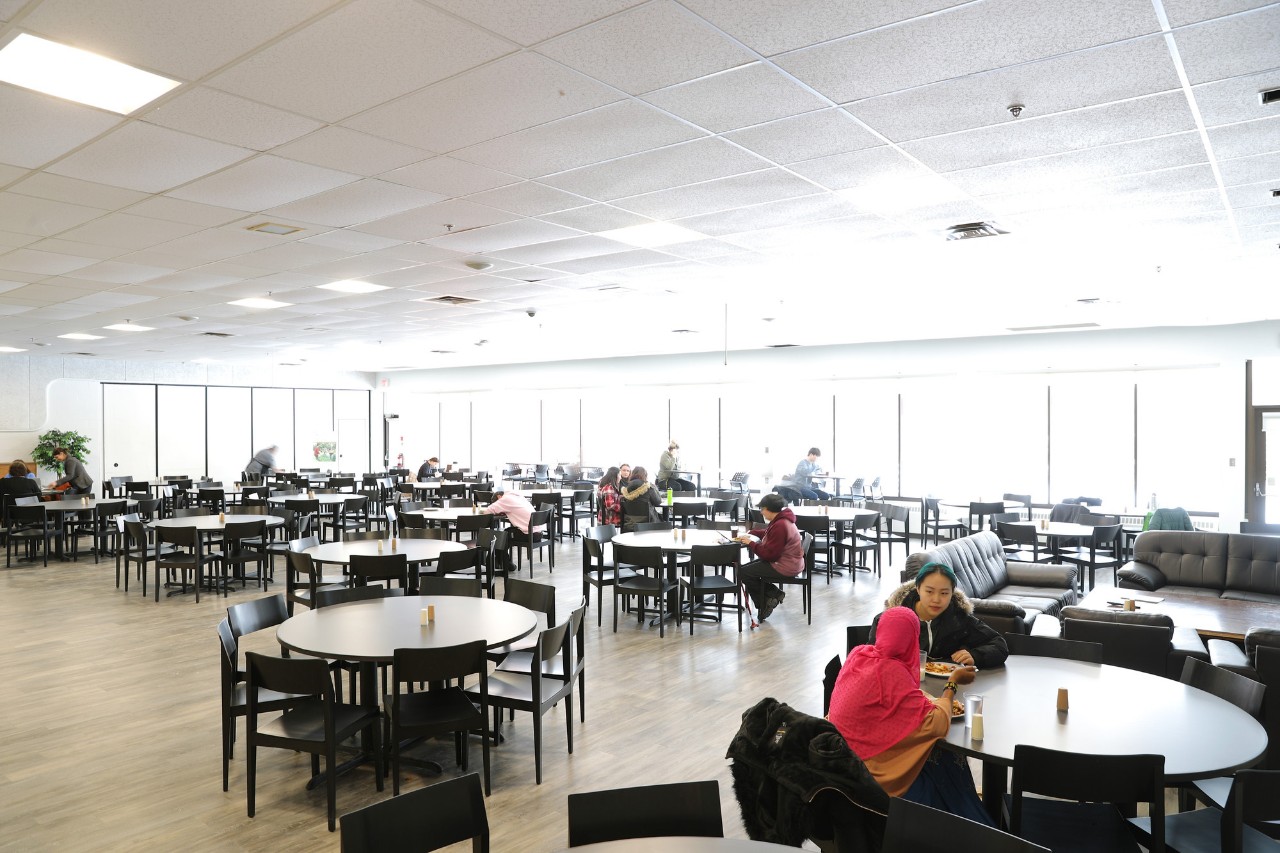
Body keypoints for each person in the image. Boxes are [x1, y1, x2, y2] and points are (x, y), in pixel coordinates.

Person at [828, 606, 989, 822]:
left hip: (839, 764)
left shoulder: (859, 654)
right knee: (944, 757)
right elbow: (938, 724)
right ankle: (969, 823)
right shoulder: (892, 672)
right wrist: (952, 683)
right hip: (871, 779)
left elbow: (889, 704)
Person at [871, 562, 1009, 669]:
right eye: (929, 591)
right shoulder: (890, 620)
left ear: (952, 593)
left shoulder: (958, 618)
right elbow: (872, 659)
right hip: (898, 690)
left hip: (946, 689)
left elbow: (999, 645)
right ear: (918, 589)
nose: (936, 600)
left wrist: (975, 656)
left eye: (944, 593)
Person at [735, 492, 804, 621]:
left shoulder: (780, 525)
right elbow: (768, 534)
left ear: (768, 509)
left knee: (743, 573)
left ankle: (770, 597)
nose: (761, 512)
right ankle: (769, 599)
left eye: (762, 509)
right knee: (743, 570)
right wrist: (751, 533)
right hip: (790, 562)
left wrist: (751, 543)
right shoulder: (782, 520)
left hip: (784, 565)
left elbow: (770, 555)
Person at [619, 465, 662, 532]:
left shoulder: (626, 489)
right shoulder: (648, 487)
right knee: (663, 520)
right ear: (645, 475)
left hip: (629, 523)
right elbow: (658, 501)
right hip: (648, 523)